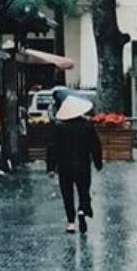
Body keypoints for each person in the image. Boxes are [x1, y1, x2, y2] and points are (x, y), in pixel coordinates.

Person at [45, 88, 102, 233]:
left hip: (65, 166)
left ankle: (71, 222)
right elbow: (95, 145)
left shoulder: (59, 127)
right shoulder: (87, 125)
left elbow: (52, 147)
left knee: (67, 193)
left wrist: (51, 167)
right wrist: (97, 162)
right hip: (83, 164)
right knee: (83, 190)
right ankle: (83, 209)